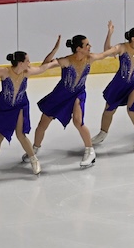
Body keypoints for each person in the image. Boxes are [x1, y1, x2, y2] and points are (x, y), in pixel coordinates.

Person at [29, 27, 121, 168]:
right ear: (79, 48)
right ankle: (34, 149)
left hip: (78, 94)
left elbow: (106, 53)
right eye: (87, 45)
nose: (90, 47)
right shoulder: (67, 61)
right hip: (60, 95)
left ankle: (90, 151)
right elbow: (44, 66)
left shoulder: (90, 58)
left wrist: (109, 34)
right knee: (42, 125)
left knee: (78, 121)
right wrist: (54, 49)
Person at [0, 47, 59, 177]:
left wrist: (55, 49)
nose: (30, 63)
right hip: (4, 106)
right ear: (20, 63)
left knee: (20, 134)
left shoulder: (27, 72)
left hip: (20, 105)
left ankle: (34, 160)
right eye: (28, 61)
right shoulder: (4, 72)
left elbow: (44, 67)